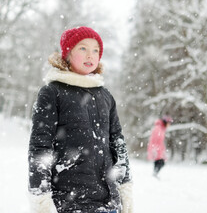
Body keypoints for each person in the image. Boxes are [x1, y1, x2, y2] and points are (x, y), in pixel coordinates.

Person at [28, 26, 133, 213]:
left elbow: (118, 146)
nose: (90, 55)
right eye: (83, 48)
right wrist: (41, 198)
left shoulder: (105, 96)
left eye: (96, 50)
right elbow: (40, 148)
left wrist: (125, 190)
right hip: (70, 202)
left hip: (109, 203)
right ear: (67, 53)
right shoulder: (53, 92)